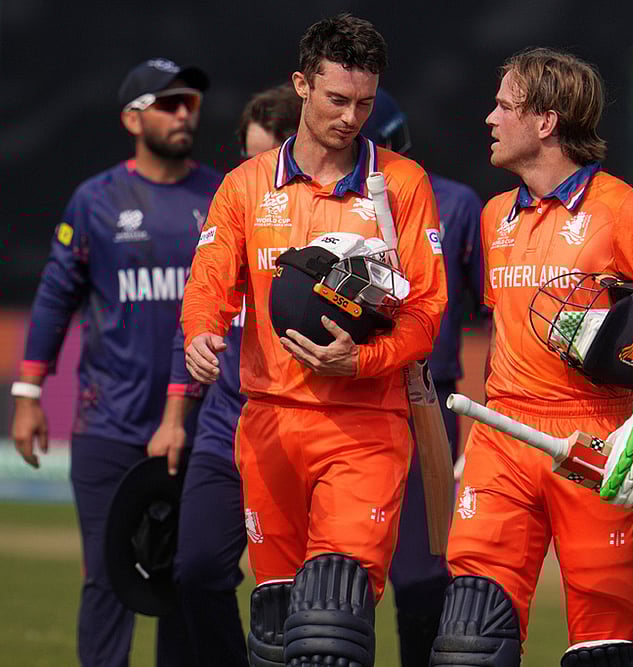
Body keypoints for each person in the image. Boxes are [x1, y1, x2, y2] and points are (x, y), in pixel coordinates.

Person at [431, 47, 633, 667]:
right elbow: (503, 336)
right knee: (467, 645)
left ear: (545, 122)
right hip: (501, 440)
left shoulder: (622, 208)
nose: (489, 118)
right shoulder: (492, 217)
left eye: (504, 106)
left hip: (594, 445)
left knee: (604, 652)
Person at [181, 14, 447, 667]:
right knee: (275, 624)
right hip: (267, 423)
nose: (352, 116)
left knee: (333, 616)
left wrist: (363, 359)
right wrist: (201, 336)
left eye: (364, 102)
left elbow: (428, 310)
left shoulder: (404, 186)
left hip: (365, 428)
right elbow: (209, 284)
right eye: (337, 99)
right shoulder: (245, 186)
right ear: (302, 84)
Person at [9, 58, 220, 666]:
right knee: (107, 579)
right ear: (133, 117)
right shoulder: (95, 200)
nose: (185, 114)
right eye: (169, 103)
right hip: (109, 424)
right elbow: (55, 296)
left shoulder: (219, 196)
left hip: (202, 426)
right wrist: (27, 395)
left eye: (191, 104)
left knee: (187, 577)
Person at [149, 81, 302, 667]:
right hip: (224, 424)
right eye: (248, 155)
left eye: (271, 155)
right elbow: (192, 316)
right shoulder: (231, 210)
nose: (258, 169)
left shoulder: (329, 226)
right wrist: (174, 416)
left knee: (301, 592)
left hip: (298, 424)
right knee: (196, 570)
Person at [361, 89, 484, 666]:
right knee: (342, 567)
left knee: (424, 569)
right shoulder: (324, 201)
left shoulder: (455, 203)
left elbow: (493, 311)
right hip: (351, 395)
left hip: (429, 401)